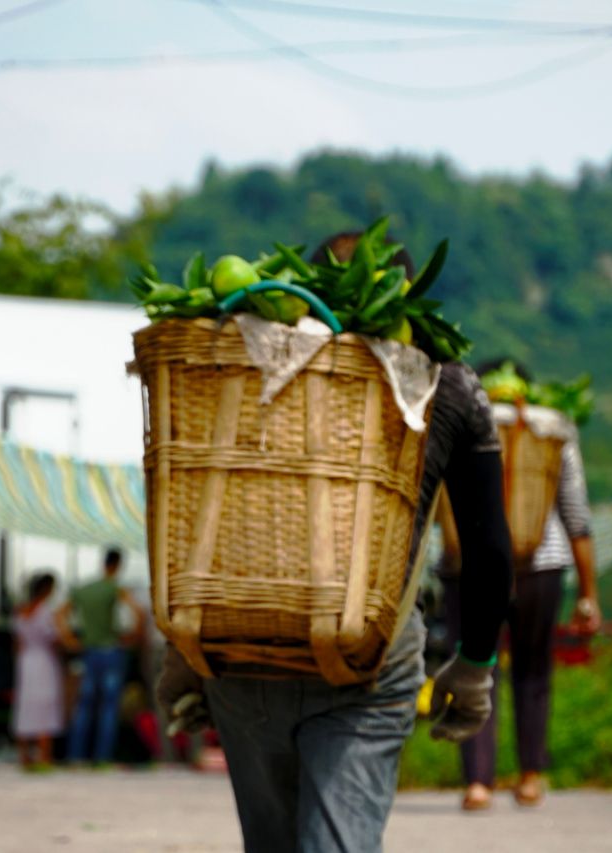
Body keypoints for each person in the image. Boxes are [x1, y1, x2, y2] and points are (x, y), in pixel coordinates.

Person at [155, 232, 514, 853]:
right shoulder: (445, 382)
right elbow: (488, 547)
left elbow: (187, 513)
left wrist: (184, 650)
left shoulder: (231, 362)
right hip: (368, 664)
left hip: (243, 656)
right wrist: (477, 664)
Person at [445, 358, 603, 810]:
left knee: (475, 669)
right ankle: (530, 776)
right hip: (542, 563)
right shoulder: (552, 430)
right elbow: (576, 514)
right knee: (534, 671)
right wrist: (589, 595)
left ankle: (478, 782)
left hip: (467, 564)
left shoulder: (458, 420)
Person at [54, 548, 147, 764]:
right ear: (117, 565)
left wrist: (69, 639)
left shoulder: (84, 589)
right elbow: (139, 613)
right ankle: (102, 756)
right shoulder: (113, 588)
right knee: (109, 707)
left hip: (88, 651)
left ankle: (76, 756)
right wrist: (133, 636)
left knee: (84, 705)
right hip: (111, 651)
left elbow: (60, 614)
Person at [13, 572, 65, 768]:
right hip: (43, 660)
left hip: (26, 661)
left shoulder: (21, 611)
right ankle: (44, 757)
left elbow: (18, 643)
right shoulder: (46, 611)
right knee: (45, 706)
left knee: (26, 706)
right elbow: (54, 639)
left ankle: (24, 756)